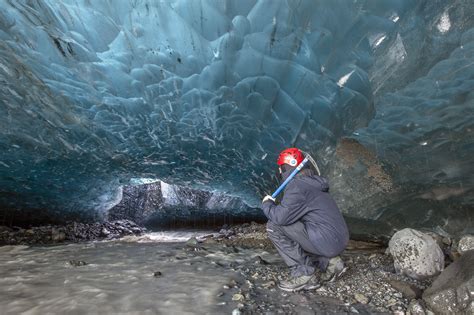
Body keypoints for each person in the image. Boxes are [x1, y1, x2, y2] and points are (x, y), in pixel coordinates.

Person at [261, 147, 349, 292]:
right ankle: (331, 263)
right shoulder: (311, 183)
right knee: (297, 225)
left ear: (285, 167)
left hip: (328, 241)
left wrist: (267, 204)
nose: (280, 171)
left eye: (281, 168)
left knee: (274, 226)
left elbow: (279, 218)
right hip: (338, 240)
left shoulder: (297, 186)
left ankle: (305, 275)